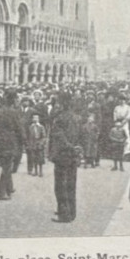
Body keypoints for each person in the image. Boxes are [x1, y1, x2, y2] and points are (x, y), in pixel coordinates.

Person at [48, 94, 82, 222]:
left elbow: (59, 137)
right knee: (71, 184)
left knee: (60, 185)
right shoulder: (76, 117)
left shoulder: (60, 118)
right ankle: (71, 212)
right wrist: (76, 148)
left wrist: (69, 146)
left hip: (62, 154)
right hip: (73, 154)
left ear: (62, 104)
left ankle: (64, 214)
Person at [0, 90, 27, 201]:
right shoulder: (14, 112)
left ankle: (9, 188)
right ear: (13, 100)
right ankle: (1, 193)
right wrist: (25, 140)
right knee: (7, 167)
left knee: (6, 164)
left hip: (1, 140)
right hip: (11, 141)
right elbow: (19, 128)